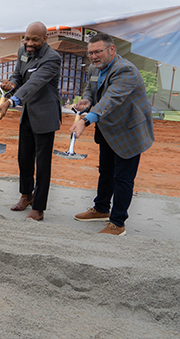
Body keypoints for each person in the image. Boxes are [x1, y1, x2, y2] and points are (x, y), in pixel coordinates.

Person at [69, 33, 154, 236]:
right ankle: (101, 209)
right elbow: (91, 90)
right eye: (91, 53)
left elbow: (111, 99)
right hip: (108, 129)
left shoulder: (126, 70)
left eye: (98, 51)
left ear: (112, 50)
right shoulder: (94, 68)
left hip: (129, 132)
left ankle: (118, 223)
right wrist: (87, 101)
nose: (94, 56)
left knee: (123, 178)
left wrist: (86, 120)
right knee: (105, 172)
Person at [0, 21, 62, 221]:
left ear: (44, 39)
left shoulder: (52, 58)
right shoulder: (23, 51)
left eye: (34, 39)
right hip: (28, 114)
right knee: (24, 158)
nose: (29, 43)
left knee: (42, 163)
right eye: (26, 38)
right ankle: (26, 195)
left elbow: (34, 83)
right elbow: (19, 74)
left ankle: (39, 207)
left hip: (45, 115)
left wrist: (11, 100)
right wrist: (12, 83)